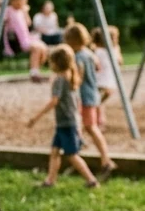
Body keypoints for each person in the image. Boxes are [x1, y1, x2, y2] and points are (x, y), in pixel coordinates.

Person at [26, 45, 99, 188]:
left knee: (72, 155)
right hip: (67, 123)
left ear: (56, 63)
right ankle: (50, 181)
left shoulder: (60, 80)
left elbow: (54, 101)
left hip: (66, 124)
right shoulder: (71, 76)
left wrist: (35, 118)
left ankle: (91, 180)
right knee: (54, 152)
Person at [64, 23, 116, 180]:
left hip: (83, 98)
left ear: (72, 41)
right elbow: (98, 68)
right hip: (93, 95)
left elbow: (77, 79)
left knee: (90, 128)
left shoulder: (78, 57)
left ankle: (106, 161)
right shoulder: (90, 54)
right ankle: (78, 162)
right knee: (82, 129)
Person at [0, 0, 48, 81]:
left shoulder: (21, 11)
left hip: (27, 39)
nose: (26, 1)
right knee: (37, 48)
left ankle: (34, 68)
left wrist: (25, 12)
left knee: (44, 48)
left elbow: (29, 23)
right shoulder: (9, 10)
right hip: (15, 42)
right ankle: (34, 73)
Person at [90, 25, 123, 105]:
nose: (116, 40)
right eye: (114, 38)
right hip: (100, 74)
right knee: (99, 90)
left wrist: (118, 52)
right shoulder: (98, 50)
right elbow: (94, 62)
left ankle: (97, 104)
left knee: (109, 92)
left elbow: (120, 62)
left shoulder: (115, 49)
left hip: (109, 74)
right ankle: (95, 104)